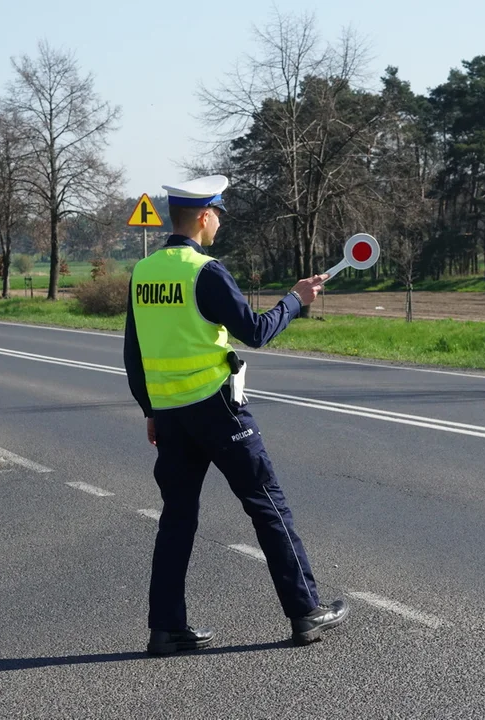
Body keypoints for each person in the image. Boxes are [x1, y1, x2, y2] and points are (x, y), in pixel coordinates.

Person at [123, 174, 349, 656]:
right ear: (204, 217)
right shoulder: (204, 271)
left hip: (170, 416)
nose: (220, 221)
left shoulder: (143, 273)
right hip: (218, 410)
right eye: (219, 213)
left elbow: (133, 351)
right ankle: (305, 612)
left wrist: (150, 409)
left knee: (177, 519)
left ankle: (165, 629)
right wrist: (295, 300)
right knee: (267, 504)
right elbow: (256, 332)